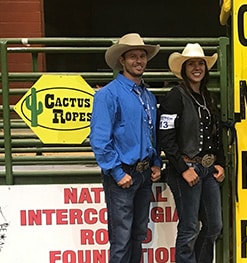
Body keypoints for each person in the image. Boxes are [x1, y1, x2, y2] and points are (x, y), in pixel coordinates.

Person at [89, 33, 162, 263]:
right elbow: (99, 139)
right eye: (133, 57)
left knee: (138, 235)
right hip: (123, 174)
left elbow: (152, 133)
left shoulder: (148, 96)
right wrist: (117, 172)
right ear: (122, 60)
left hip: (142, 173)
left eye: (142, 56)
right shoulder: (108, 95)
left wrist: (156, 162)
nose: (139, 61)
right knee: (121, 239)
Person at [158, 43, 225, 263]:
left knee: (214, 225)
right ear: (184, 68)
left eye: (200, 64)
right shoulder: (175, 96)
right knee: (189, 227)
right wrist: (183, 168)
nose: (197, 68)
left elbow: (216, 136)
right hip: (186, 168)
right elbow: (165, 137)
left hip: (206, 168)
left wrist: (220, 162)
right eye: (192, 64)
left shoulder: (206, 96)